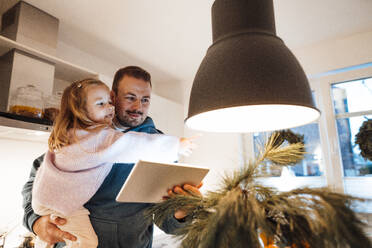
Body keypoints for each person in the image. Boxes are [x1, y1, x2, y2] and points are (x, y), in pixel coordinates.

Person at [22, 66, 201, 248]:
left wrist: (182, 211)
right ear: (113, 97)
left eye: (145, 100)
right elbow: (40, 180)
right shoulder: (82, 134)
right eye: (130, 98)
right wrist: (36, 222)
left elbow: (169, 224)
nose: (138, 107)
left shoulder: (158, 149)